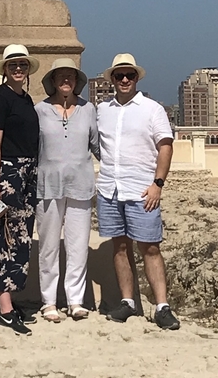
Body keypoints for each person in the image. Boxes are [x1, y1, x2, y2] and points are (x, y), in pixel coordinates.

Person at [96, 53, 180, 330]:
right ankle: (128, 302)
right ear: (111, 78)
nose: (123, 79)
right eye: (119, 75)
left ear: (136, 78)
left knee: (150, 247)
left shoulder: (152, 109)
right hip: (110, 188)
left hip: (142, 190)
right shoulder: (102, 110)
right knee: (119, 247)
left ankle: (162, 306)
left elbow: (165, 145)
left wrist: (158, 184)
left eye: (129, 75)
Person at [0, 43, 40, 336]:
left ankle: (11, 302)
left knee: (20, 238)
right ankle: (4, 309)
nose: (18, 69)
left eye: (23, 65)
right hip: (5, 173)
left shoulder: (26, 100)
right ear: (5, 69)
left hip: (27, 174)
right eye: (13, 65)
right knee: (1, 238)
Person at [35, 58, 99, 322]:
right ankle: (48, 301)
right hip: (47, 186)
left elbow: (97, 146)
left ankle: (75, 300)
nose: (65, 80)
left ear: (76, 81)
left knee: (77, 245)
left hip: (81, 185)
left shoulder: (88, 109)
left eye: (70, 76)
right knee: (48, 246)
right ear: (52, 81)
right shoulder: (39, 110)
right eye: (60, 76)